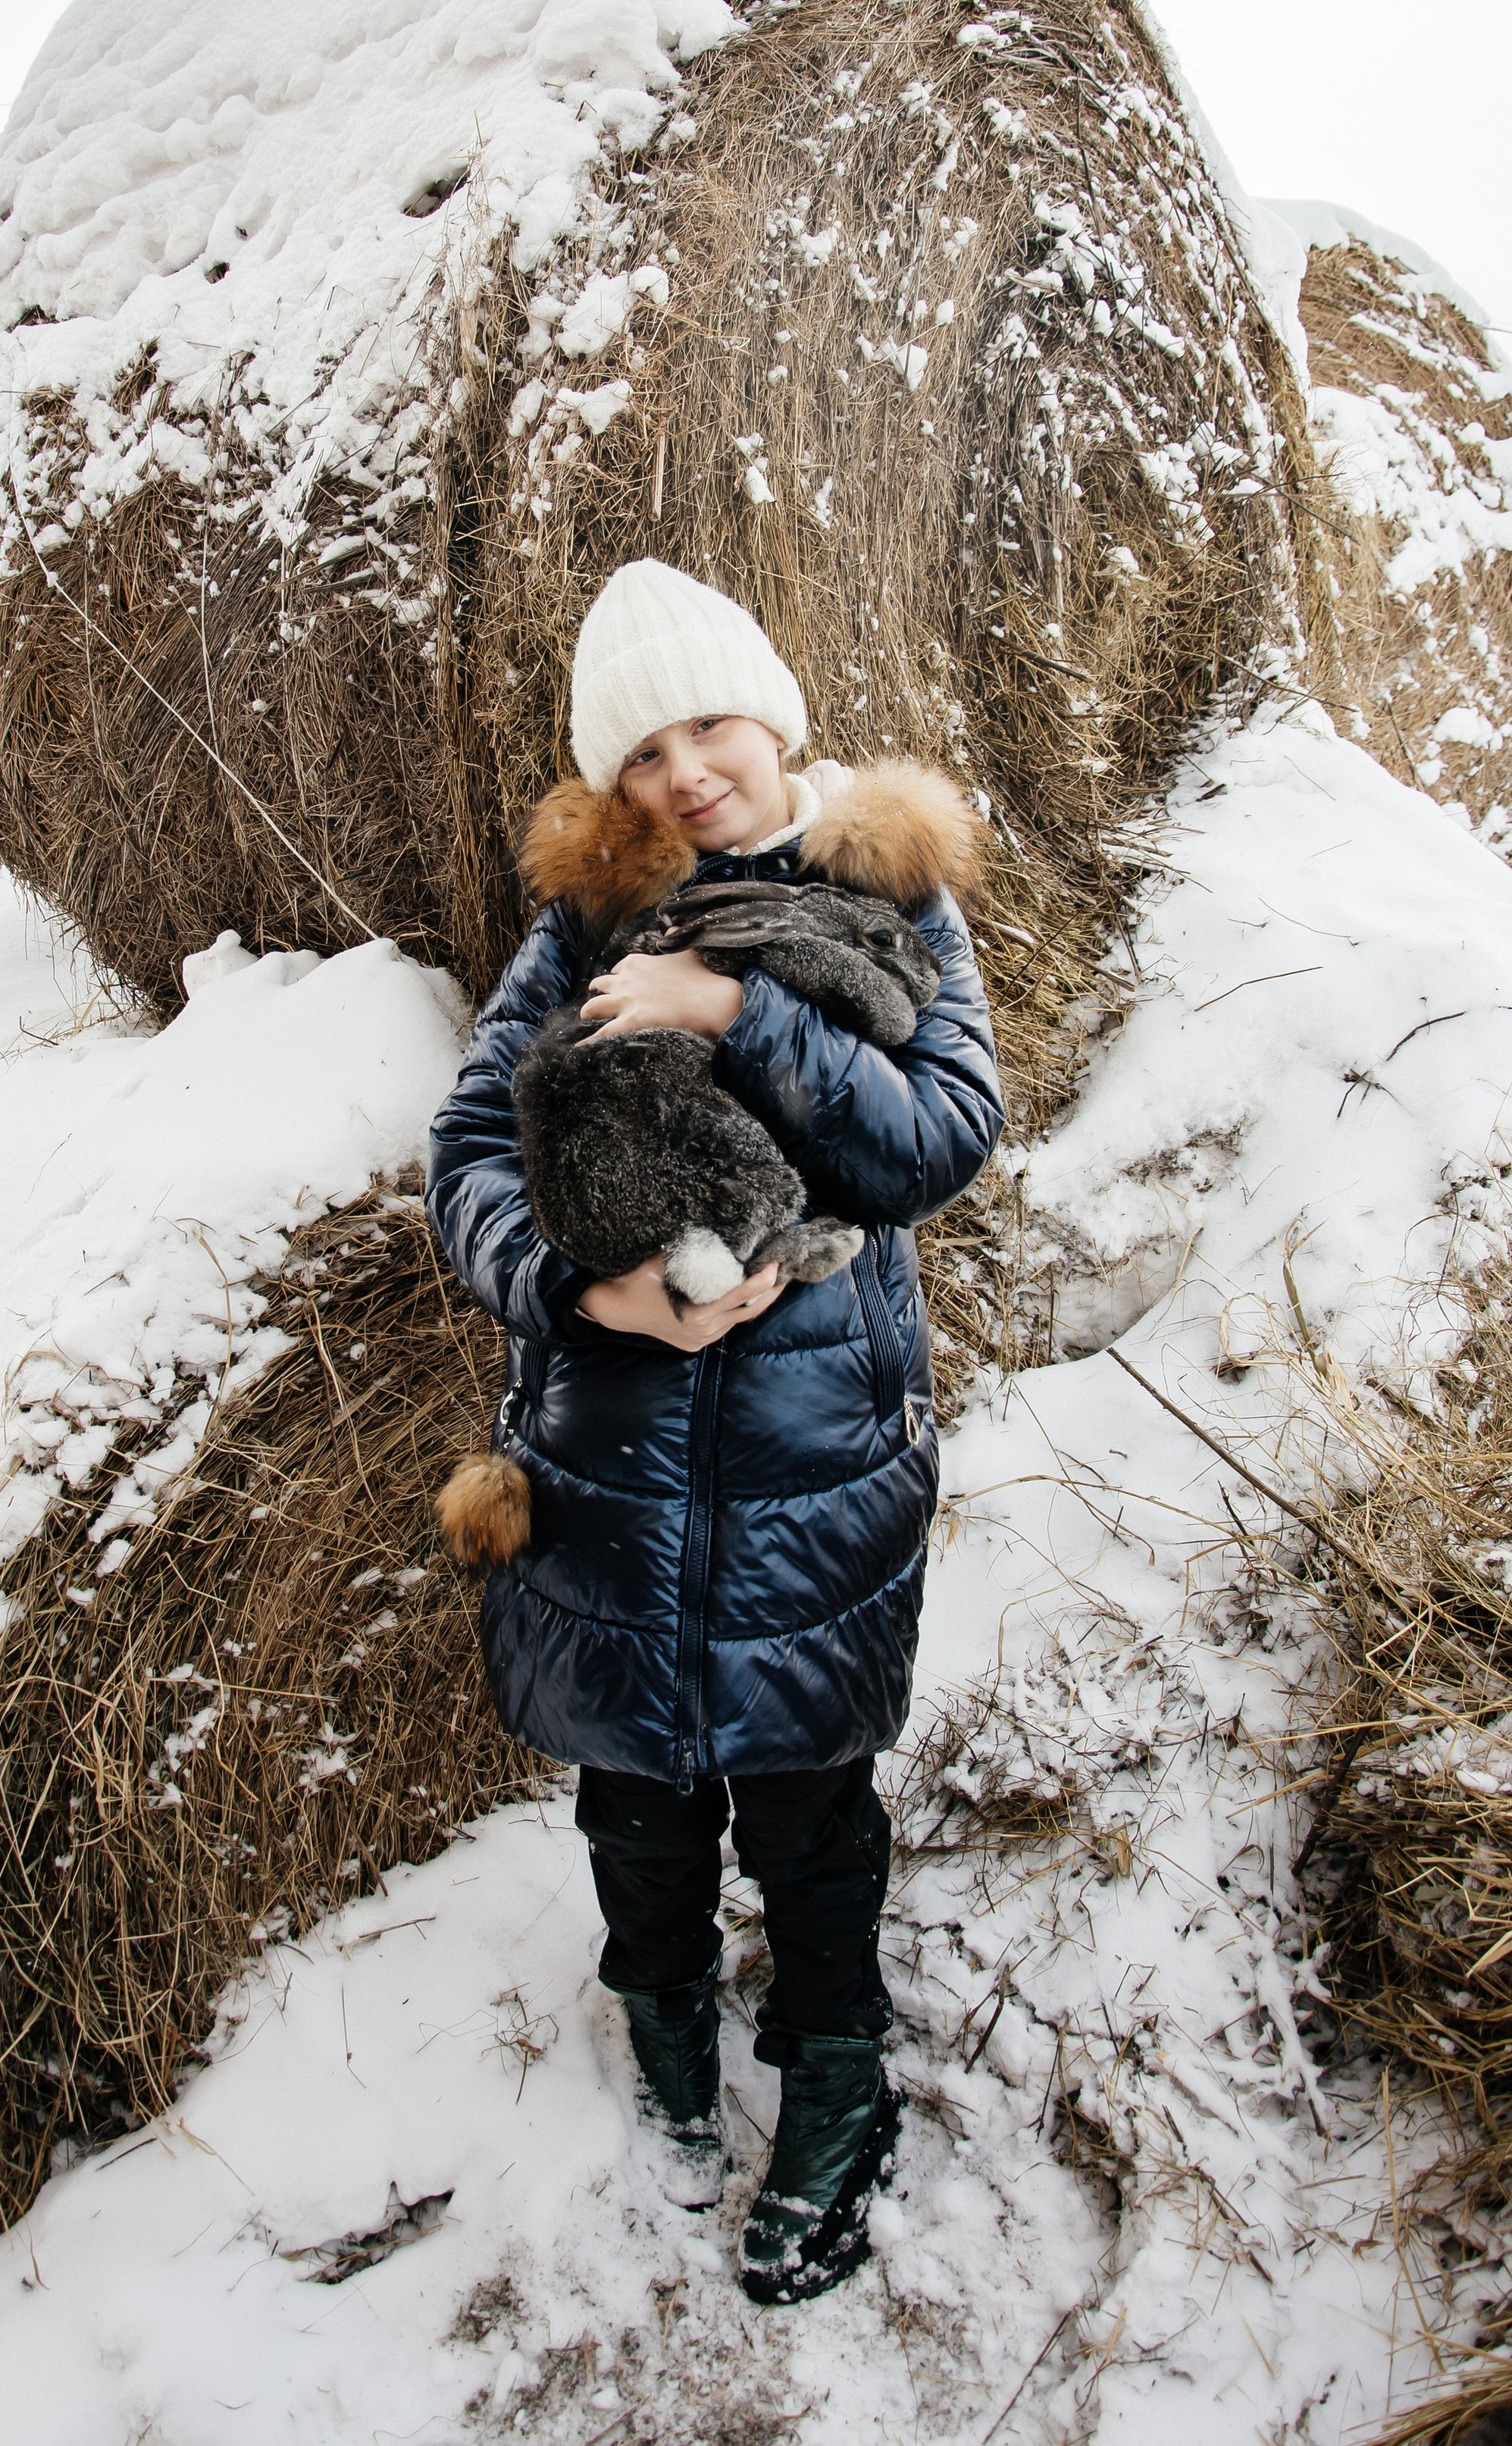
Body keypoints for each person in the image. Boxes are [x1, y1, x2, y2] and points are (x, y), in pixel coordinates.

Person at [425, 558, 1003, 2303]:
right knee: (637, 1794)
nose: (687, 772)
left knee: (809, 1803)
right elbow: (462, 1152)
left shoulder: (886, 893)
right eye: (645, 752)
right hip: (605, 1453)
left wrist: (735, 1015)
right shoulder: (584, 929)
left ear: (773, 716)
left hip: (812, 1455)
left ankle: (832, 2075)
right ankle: (663, 2021)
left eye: (708, 726)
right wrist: (573, 1294)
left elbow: (937, 1139)